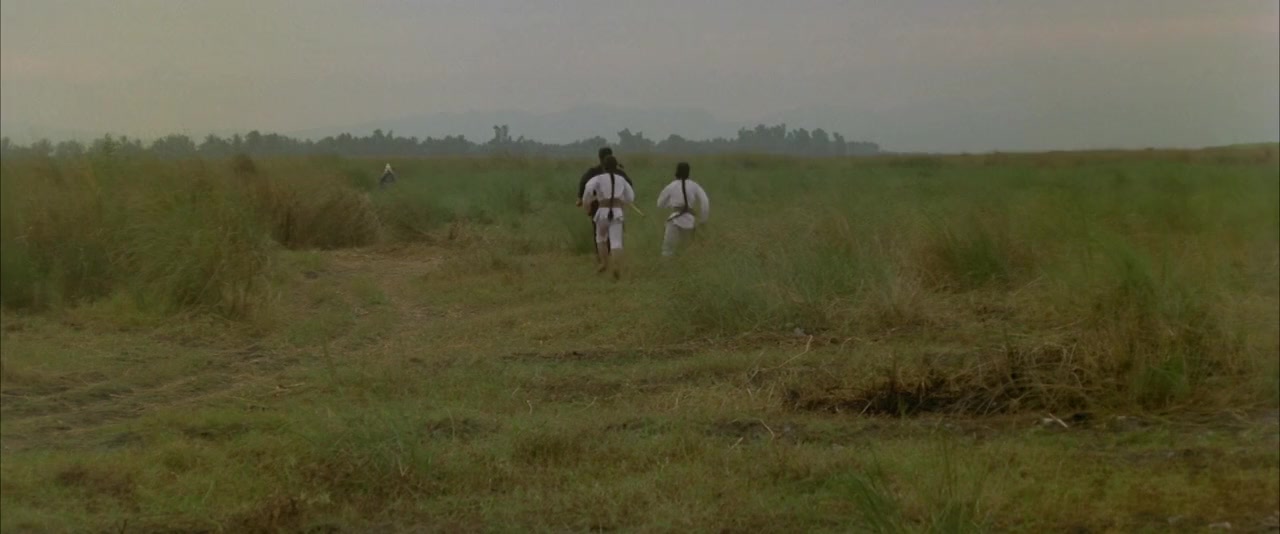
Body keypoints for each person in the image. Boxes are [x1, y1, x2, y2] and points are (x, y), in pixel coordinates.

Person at [580, 156, 635, 279]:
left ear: (603, 166)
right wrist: (622, 201)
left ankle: (604, 263)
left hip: (602, 212)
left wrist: (587, 205)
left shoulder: (597, 179)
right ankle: (616, 266)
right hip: (617, 212)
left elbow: (587, 192)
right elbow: (630, 197)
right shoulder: (622, 179)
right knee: (616, 242)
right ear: (616, 166)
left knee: (601, 238)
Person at [655, 162, 709, 257]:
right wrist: (703, 220)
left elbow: (659, 203)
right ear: (688, 172)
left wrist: (670, 204)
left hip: (674, 221)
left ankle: (667, 266)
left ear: (677, 171)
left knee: (667, 250)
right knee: (688, 251)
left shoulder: (671, 185)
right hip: (689, 222)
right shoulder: (694, 186)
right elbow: (705, 202)